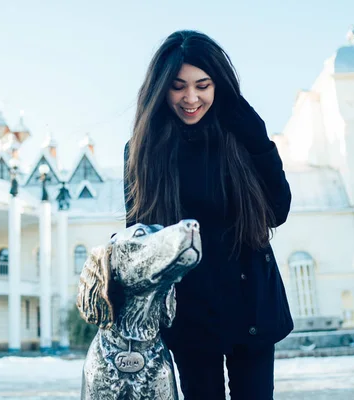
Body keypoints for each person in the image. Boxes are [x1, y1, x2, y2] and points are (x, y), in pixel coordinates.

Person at [123, 30, 293, 399]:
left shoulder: (241, 136)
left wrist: (259, 141)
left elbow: (277, 211)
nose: (191, 98)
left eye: (203, 85)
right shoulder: (143, 152)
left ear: (219, 86)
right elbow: (139, 242)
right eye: (178, 86)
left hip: (251, 307)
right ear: (160, 89)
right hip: (189, 314)